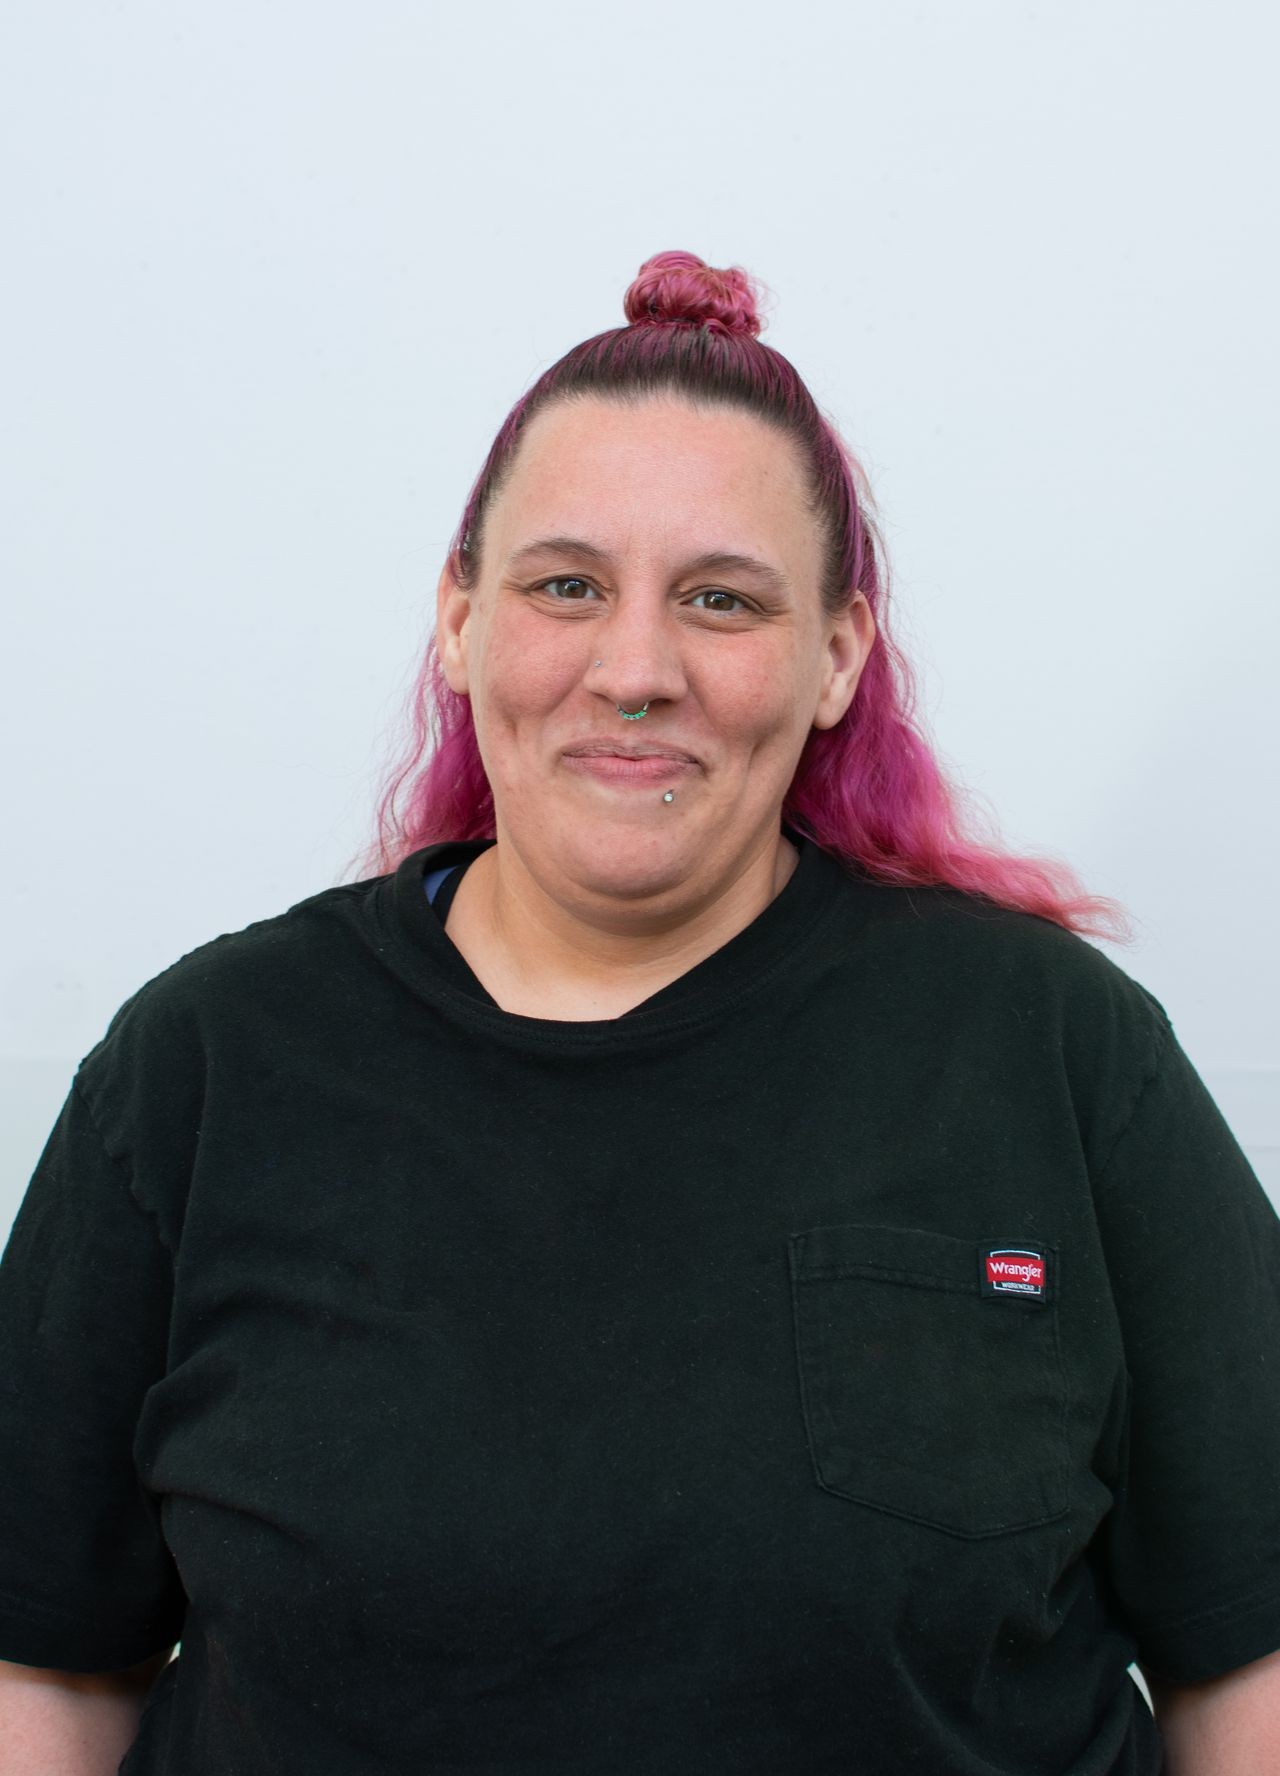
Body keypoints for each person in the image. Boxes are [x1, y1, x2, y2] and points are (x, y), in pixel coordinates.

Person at [1, 250, 1277, 1775]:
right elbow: (49, 1676)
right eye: (566, 586)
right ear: (462, 623)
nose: (634, 670)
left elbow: (1246, 1670)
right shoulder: (204, 1068)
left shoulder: (1057, 1054)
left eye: (720, 600)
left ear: (836, 658)